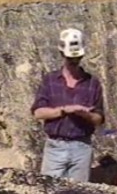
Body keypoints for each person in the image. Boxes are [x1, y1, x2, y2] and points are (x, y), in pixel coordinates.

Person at [30, 28, 105, 182]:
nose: (73, 61)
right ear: (62, 54)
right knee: (48, 189)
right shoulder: (50, 80)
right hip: (55, 146)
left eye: (77, 58)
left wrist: (85, 115)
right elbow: (38, 113)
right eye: (70, 57)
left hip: (82, 148)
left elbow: (99, 119)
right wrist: (63, 111)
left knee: (79, 191)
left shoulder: (92, 83)